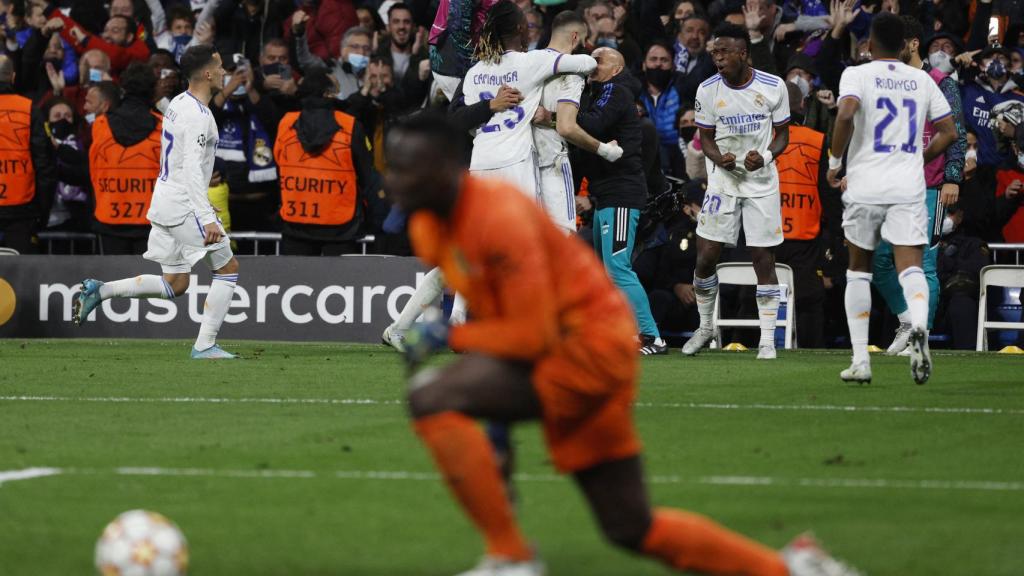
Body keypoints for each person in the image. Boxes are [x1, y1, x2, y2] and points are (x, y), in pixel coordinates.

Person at [386, 111, 859, 576]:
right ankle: (789, 567)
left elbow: (532, 334)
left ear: (448, 166)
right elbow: (506, 321)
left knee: (432, 396)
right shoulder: (430, 227)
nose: (396, 181)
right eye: (393, 167)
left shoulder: (499, 216)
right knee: (630, 526)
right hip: (560, 351)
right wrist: (496, 433)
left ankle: (510, 556)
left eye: (409, 168)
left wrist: (450, 334)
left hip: (590, 347)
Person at [73, 45, 240, 360]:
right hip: (182, 206)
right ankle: (205, 346)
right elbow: (191, 169)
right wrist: (203, 214)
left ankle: (101, 290)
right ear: (206, 73)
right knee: (227, 269)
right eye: (218, 66)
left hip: (165, 202)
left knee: (175, 283)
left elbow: (181, 164)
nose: (223, 72)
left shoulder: (177, 103)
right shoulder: (198, 116)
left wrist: (200, 201)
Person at [826, 13, 957, 384]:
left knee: (858, 270)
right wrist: (919, 158)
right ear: (904, 45)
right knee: (911, 267)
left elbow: (846, 113)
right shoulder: (921, 79)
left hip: (865, 183)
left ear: (868, 43)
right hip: (907, 185)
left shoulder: (857, 74)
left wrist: (835, 162)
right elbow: (948, 132)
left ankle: (860, 361)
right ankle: (918, 326)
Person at [683, 23, 791, 360]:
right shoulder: (707, 89)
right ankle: (704, 327)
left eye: (723, 52)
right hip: (723, 182)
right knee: (707, 255)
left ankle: (768, 339)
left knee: (763, 258)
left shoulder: (774, 87)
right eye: (714, 52)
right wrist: (719, 159)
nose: (716, 58)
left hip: (761, 184)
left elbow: (783, 135)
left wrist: (768, 155)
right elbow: (706, 139)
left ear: (742, 53)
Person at [874, 16, 967, 356]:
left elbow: (955, 129)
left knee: (923, 263)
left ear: (912, 43)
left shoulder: (941, 82)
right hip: (891, 184)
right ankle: (906, 320)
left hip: (929, 185)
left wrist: (952, 177)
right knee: (880, 261)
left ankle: (921, 334)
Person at [577, 47, 667, 355]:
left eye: (599, 59)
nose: (592, 62)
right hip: (606, 194)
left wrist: (559, 114)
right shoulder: (602, 92)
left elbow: (591, 126)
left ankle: (652, 336)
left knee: (618, 267)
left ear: (616, 68)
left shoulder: (615, 90)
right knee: (609, 271)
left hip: (621, 195)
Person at [533, 11, 623, 234]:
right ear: (575, 37)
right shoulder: (574, 72)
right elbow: (566, 126)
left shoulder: (525, 63)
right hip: (552, 163)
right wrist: (604, 150)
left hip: (521, 160)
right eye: (584, 40)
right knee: (562, 239)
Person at [273, 67, 373, 256]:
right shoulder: (350, 125)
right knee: (337, 285)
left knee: (295, 284)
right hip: (341, 227)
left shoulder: (286, 123)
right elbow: (367, 174)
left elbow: (279, 163)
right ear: (328, 94)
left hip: (296, 224)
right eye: (336, 88)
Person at [775, 82, 832, 349]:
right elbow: (828, 194)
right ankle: (812, 353)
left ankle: (745, 346)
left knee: (753, 295)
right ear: (801, 106)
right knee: (809, 302)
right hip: (805, 235)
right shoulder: (818, 140)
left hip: (765, 234)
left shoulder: (758, 139)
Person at [89, 62, 163, 255]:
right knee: (148, 284)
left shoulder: (100, 124)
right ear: (153, 90)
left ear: (123, 89)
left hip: (109, 217)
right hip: (151, 221)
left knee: (114, 284)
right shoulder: (163, 126)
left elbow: (93, 171)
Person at [0, 55, 57, 254]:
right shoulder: (29, 109)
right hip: (21, 207)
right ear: (13, 77)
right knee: (20, 275)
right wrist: (43, 209)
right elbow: (44, 162)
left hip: (22, 207)